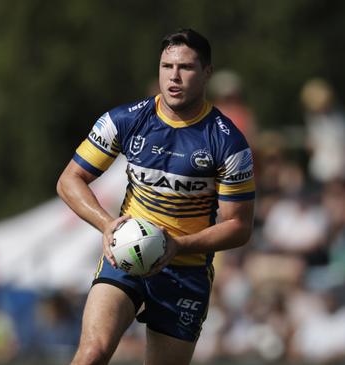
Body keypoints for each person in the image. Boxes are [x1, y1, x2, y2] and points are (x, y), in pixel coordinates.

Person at [56, 28, 256, 365]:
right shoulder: (125, 119)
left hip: (185, 271)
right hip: (124, 258)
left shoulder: (229, 143)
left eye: (186, 68)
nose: (174, 76)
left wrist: (178, 245)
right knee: (92, 353)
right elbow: (69, 181)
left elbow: (239, 226)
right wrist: (108, 226)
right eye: (167, 66)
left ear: (206, 73)